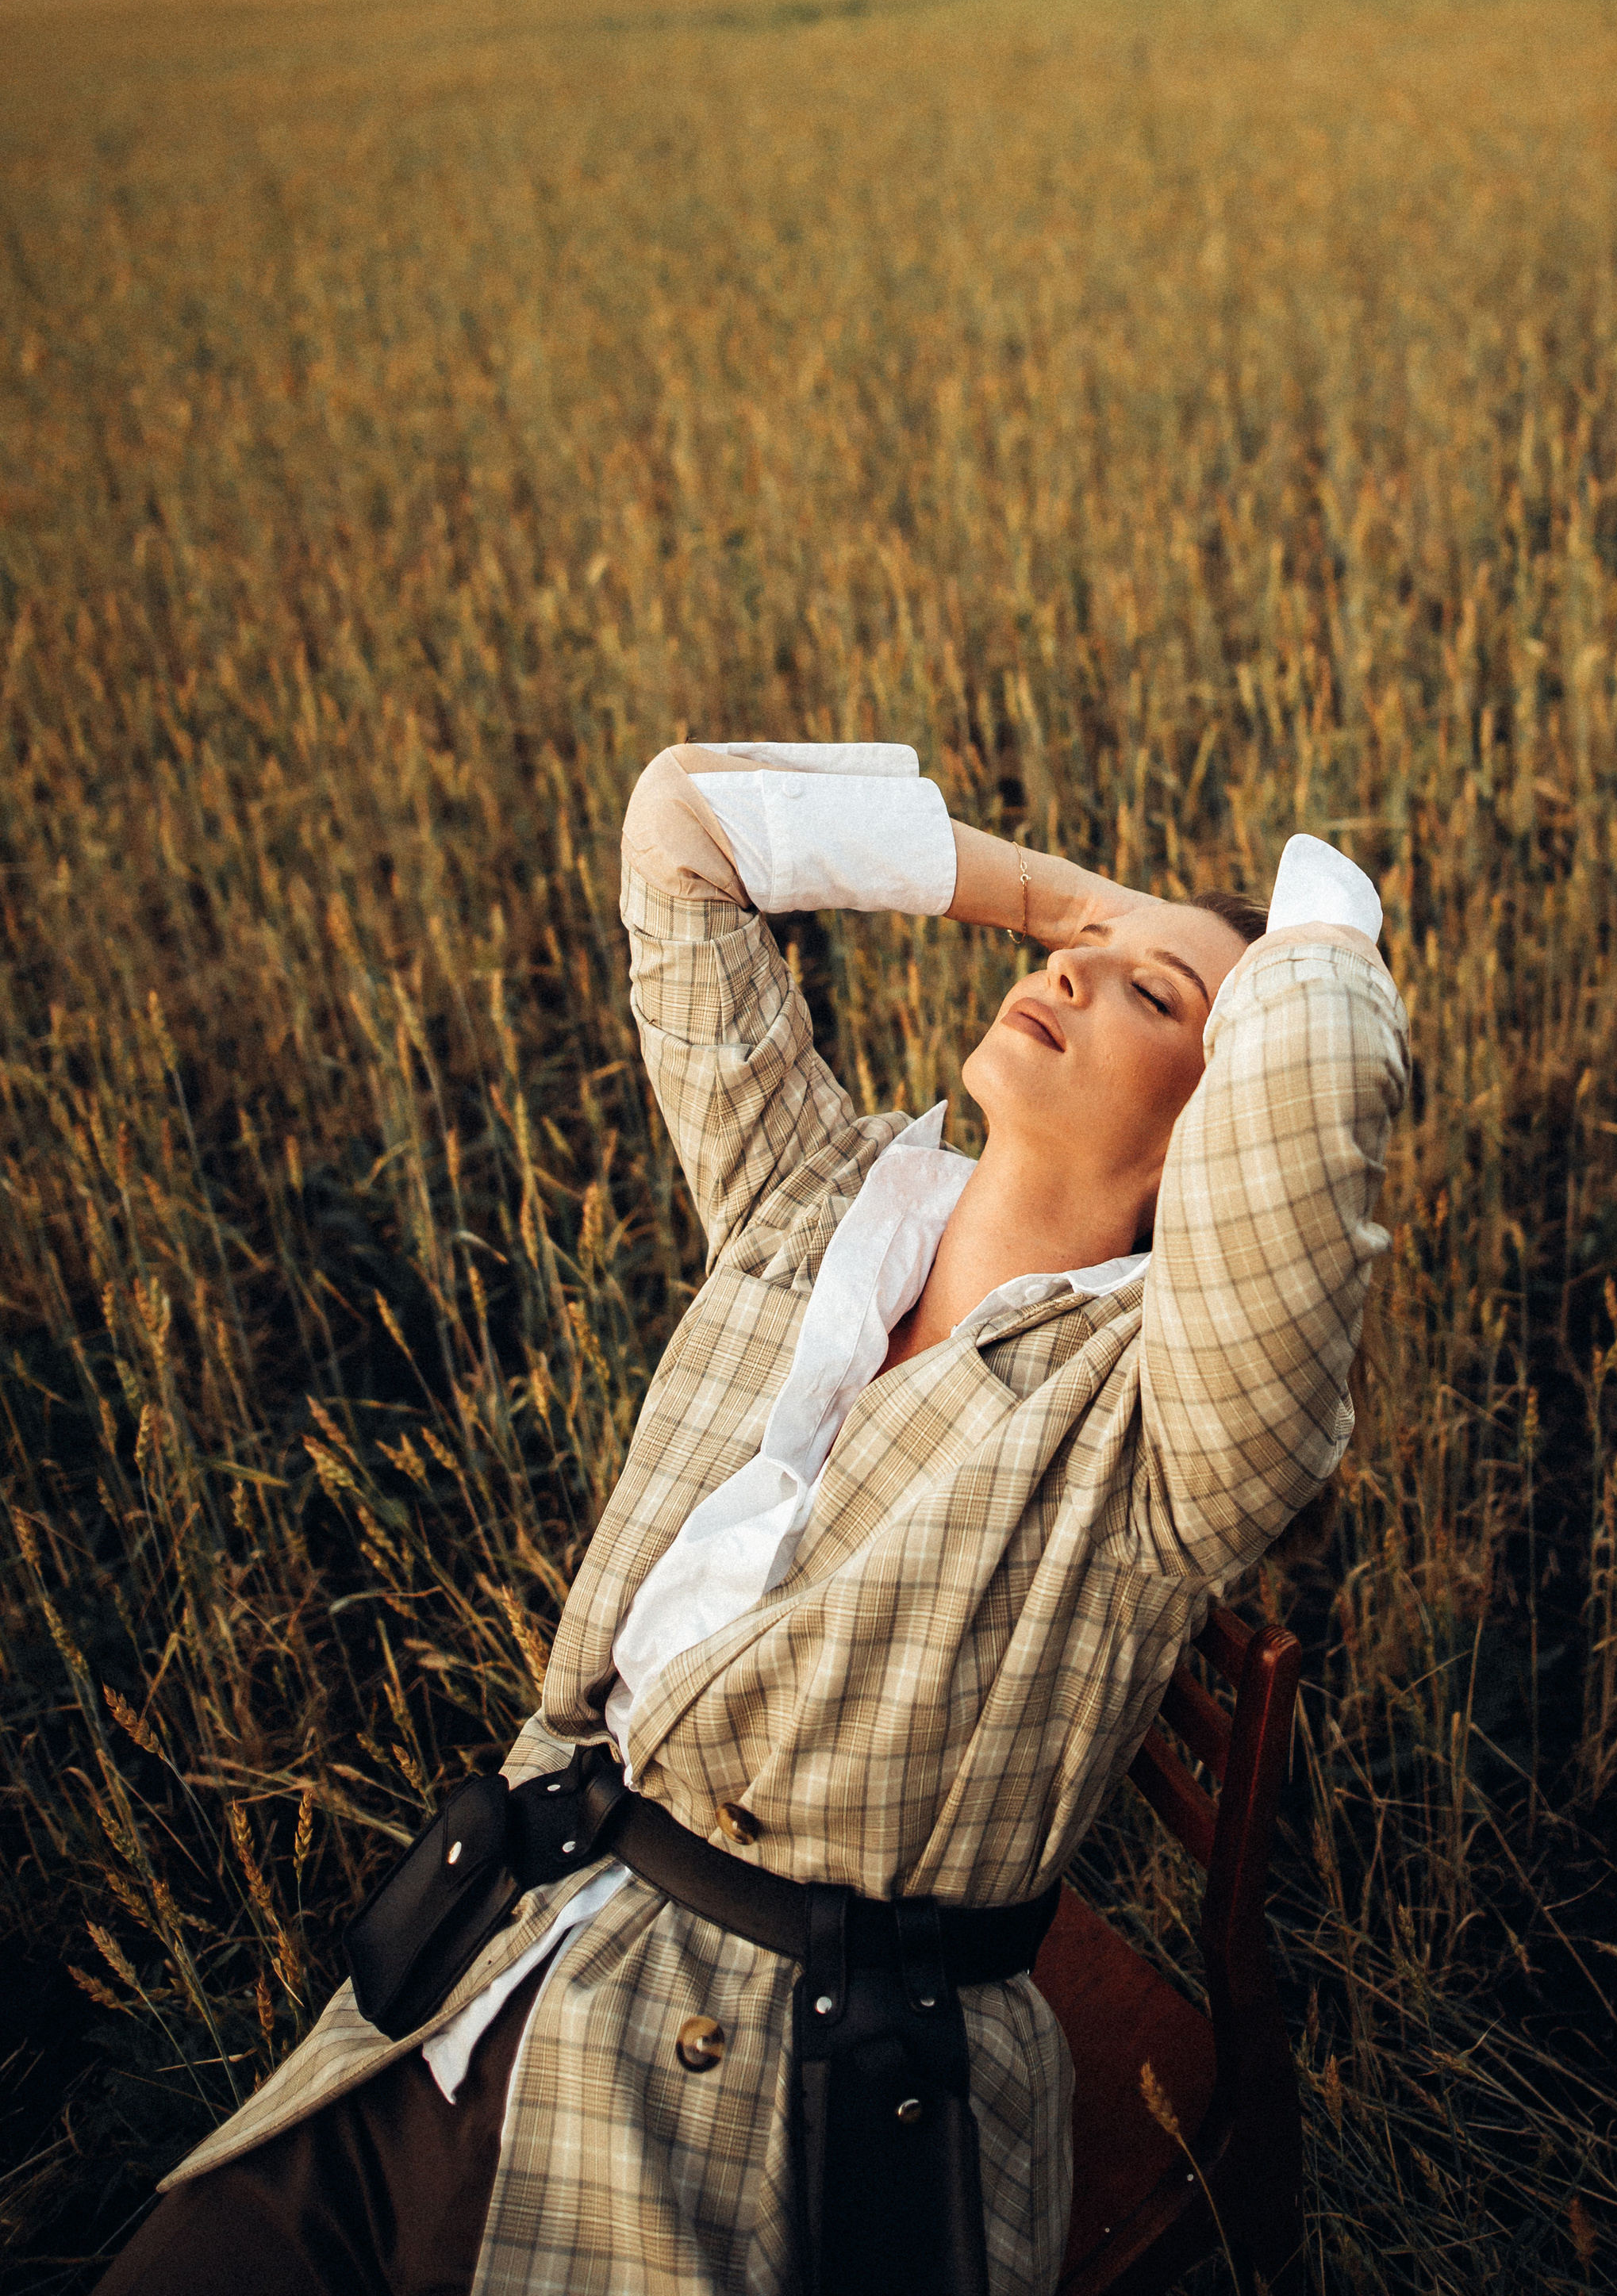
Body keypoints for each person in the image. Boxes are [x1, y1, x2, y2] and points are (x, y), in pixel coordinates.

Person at [98, 738, 1409, 2296]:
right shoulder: (812, 1201)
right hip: (482, 1962)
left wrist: (1280, 949)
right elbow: (685, 825)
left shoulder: (1172, 1427)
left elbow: (1321, 1081)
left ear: (1220, 1132)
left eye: (1150, 998)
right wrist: (1078, 903)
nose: (1067, 976)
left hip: (775, 2104)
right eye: (1077, 958)